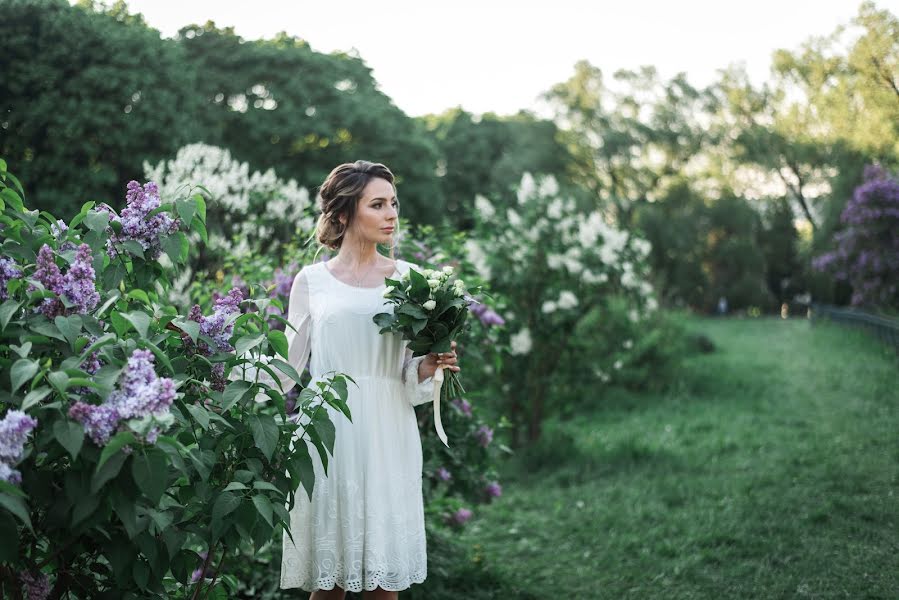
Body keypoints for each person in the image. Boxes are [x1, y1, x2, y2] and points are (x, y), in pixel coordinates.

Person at [238, 160, 461, 599]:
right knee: (330, 582)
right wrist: (226, 384)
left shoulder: (411, 280)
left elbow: (406, 376)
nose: (391, 214)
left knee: (383, 583)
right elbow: (288, 368)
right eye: (377, 205)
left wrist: (429, 367)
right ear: (343, 214)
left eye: (393, 204)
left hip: (387, 432)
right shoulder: (312, 281)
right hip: (327, 433)